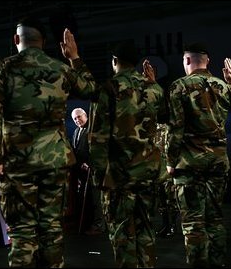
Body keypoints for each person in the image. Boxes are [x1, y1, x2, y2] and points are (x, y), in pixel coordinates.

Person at [0, 16, 96, 267]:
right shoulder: (60, 68)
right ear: (43, 42)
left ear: (15, 39)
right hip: (54, 160)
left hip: (17, 162)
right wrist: (74, 57)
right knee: (52, 228)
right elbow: (89, 89)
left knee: (22, 231)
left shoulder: (1, 69)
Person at [165, 43, 231, 267]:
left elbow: (175, 128)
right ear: (208, 61)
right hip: (217, 163)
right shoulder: (222, 86)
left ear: (186, 61)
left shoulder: (179, 86)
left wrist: (170, 161)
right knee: (214, 220)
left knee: (193, 223)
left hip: (189, 165)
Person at [90, 41, 167, 267]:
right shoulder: (155, 89)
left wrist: (99, 177)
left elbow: (98, 138)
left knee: (123, 234)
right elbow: (163, 119)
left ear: (115, 62)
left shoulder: (108, 89)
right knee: (146, 231)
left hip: (119, 177)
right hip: (149, 174)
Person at [70, 107, 104, 235]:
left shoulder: (92, 131)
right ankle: (89, 223)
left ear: (86, 116)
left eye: (79, 117)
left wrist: (89, 164)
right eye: (74, 118)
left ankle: (99, 225)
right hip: (82, 171)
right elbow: (76, 151)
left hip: (93, 170)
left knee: (96, 199)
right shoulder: (76, 131)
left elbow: (97, 150)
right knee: (87, 198)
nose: (77, 120)